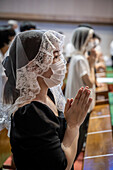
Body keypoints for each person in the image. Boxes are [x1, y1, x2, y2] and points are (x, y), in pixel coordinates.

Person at [2, 30, 92, 170]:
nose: (61, 61)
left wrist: (70, 121)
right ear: (33, 65)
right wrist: (73, 125)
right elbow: (61, 167)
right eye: (55, 56)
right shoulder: (30, 113)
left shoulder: (48, 94)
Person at [65, 27, 96, 160]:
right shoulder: (80, 59)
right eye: (89, 39)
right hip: (80, 105)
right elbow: (90, 83)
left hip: (79, 103)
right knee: (78, 137)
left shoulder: (78, 57)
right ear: (83, 41)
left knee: (79, 136)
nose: (92, 42)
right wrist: (92, 65)